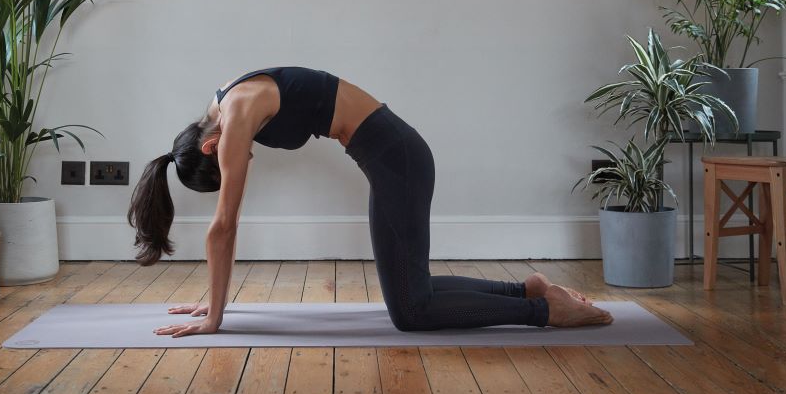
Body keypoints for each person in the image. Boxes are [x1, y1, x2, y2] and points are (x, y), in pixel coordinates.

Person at [128, 66, 613, 337]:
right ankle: (527, 290)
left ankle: (545, 313)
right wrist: (214, 303)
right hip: (392, 158)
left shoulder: (233, 116)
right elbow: (225, 226)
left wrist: (215, 317)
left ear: (211, 148)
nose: (246, 158)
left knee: (411, 313)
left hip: (397, 158)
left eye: (239, 159)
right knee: (409, 292)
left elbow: (224, 226)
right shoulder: (221, 104)